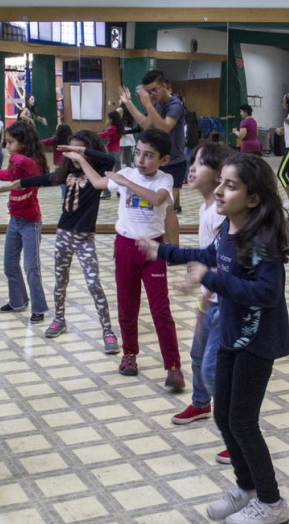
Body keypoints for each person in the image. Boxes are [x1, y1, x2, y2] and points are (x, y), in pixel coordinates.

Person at [137, 153, 289, 524]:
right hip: (232, 332)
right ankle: (248, 489)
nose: (219, 191)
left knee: (242, 421)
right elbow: (208, 256)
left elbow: (267, 293)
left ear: (254, 199)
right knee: (223, 415)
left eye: (231, 185)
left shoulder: (260, 239)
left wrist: (208, 278)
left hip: (258, 342)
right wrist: (164, 251)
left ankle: (272, 504)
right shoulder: (229, 229)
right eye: (220, 182)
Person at [76, 128, 184, 392]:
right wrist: (80, 159)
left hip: (153, 250)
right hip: (125, 247)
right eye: (137, 153)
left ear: (164, 159)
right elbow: (99, 183)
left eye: (149, 156)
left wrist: (125, 183)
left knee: (160, 309)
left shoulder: (164, 180)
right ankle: (129, 354)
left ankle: (173, 367)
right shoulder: (125, 174)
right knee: (127, 306)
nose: (140, 160)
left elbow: (158, 200)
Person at [6, 130, 119, 354]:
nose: (71, 156)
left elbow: (110, 159)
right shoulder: (65, 174)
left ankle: (108, 331)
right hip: (63, 235)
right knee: (60, 282)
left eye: (76, 150)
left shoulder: (97, 173)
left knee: (94, 283)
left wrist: (80, 153)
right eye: (69, 150)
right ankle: (59, 319)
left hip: (84, 238)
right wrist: (20, 182)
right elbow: (44, 179)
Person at [167, 143, 230, 462]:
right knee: (196, 355)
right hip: (211, 297)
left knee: (211, 368)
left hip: (225, 302)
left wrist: (203, 300)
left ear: (220, 175)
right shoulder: (206, 209)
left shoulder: (221, 215)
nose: (191, 168)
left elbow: (218, 262)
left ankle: (235, 434)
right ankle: (201, 404)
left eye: (200, 163)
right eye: (191, 161)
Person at [0, 121, 50, 324]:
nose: (7, 146)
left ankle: (38, 308)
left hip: (30, 222)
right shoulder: (18, 162)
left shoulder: (32, 162)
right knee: (9, 263)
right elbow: (8, 175)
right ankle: (17, 301)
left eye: (10, 142)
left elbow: (26, 164)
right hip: (15, 220)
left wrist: (13, 154)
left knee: (31, 266)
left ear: (23, 141)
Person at [118, 69, 184, 236]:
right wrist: (128, 103)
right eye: (148, 91)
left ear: (164, 87)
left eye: (155, 90)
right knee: (156, 209)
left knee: (169, 209)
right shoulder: (156, 105)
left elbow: (165, 127)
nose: (152, 94)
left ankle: (173, 253)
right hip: (156, 162)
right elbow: (146, 124)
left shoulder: (175, 105)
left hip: (174, 162)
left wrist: (147, 103)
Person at [97, 110, 124, 199]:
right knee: (118, 172)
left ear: (112, 118)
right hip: (118, 151)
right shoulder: (119, 127)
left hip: (112, 152)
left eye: (109, 118)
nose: (107, 119)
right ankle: (120, 192)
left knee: (107, 172)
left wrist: (93, 135)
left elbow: (104, 134)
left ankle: (106, 193)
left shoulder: (112, 128)